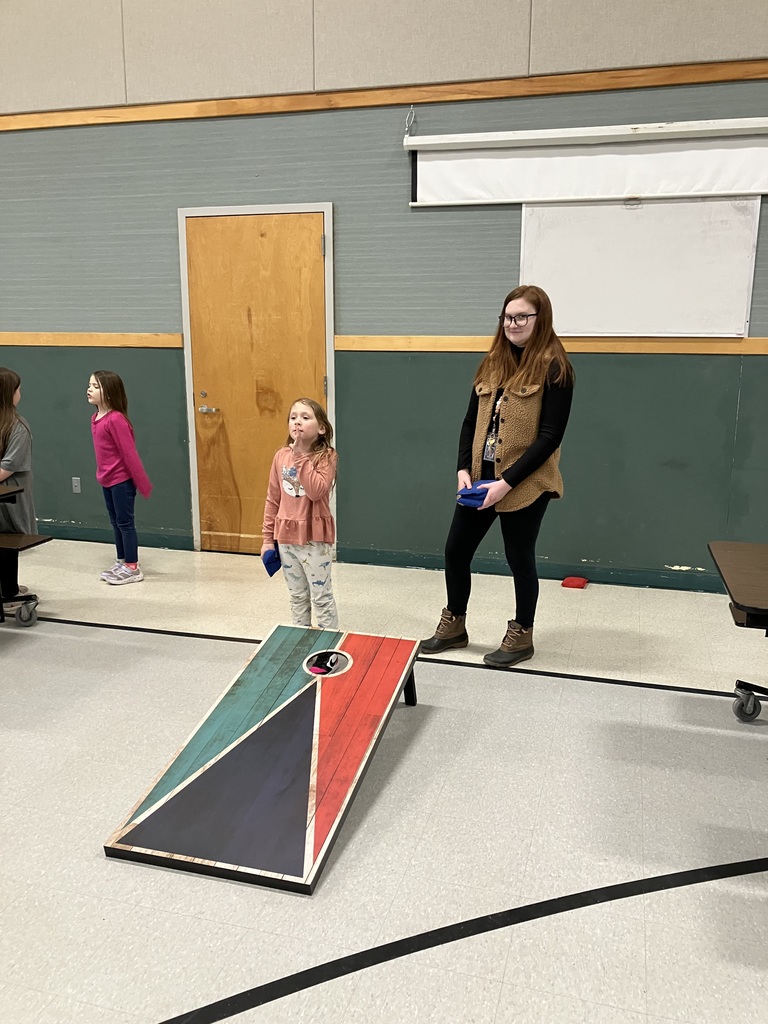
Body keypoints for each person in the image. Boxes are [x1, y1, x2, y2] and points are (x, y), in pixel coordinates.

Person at [420, 284, 575, 667]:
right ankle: (454, 625)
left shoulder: (556, 367)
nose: (513, 323)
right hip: (479, 479)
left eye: (522, 316)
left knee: (518, 556)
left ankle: (522, 635)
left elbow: (550, 436)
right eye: (508, 316)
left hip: (526, 481)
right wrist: (462, 469)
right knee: (456, 550)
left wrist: (506, 483)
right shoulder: (493, 362)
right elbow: (470, 421)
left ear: (541, 320)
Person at [261, 398, 339, 629]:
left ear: (321, 428)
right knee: (297, 598)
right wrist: (267, 540)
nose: (298, 422)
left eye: (305, 417)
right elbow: (272, 498)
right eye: (293, 417)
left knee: (321, 598)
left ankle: (327, 653)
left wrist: (300, 457)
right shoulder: (280, 456)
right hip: (286, 538)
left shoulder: (327, 457)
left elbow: (316, 491)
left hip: (314, 539)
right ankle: (300, 643)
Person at [87, 371, 152, 585]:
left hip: (121, 481)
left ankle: (132, 567)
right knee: (115, 522)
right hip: (106, 480)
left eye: (95, 386)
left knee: (125, 523)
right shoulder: (95, 418)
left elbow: (129, 454)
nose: (89, 389)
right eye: (90, 385)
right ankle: (122, 560)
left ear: (109, 393)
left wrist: (141, 483)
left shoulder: (116, 420)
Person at [0, 367, 37, 604]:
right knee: (8, 540)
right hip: (10, 496)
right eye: (18, 389)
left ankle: (8, 588)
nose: (20, 393)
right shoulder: (18, 426)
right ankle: (10, 592)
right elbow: (7, 467)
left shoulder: (14, 426)